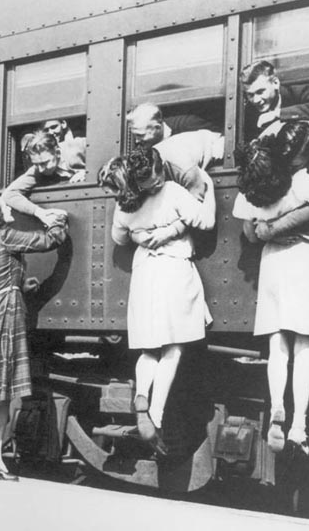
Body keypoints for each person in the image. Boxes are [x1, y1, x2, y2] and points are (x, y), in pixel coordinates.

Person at [233, 123, 309, 456]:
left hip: (273, 265)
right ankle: (298, 423)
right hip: (304, 260)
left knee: (276, 344)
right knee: (304, 347)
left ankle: (275, 410)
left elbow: (251, 234)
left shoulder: (262, 181)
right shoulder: (303, 182)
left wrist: (267, 227)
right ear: (307, 152)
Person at [98, 149, 215, 455]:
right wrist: (209, 190)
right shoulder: (173, 192)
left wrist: (141, 233)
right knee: (173, 348)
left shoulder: (126, 203)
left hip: (144, 274)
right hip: (173, 272)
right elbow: (205, 221)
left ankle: (142, 395)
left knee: (150, 347)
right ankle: (156, 414)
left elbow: (119, 239)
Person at [0, 196, 69, 483]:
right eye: (5, 208)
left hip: (0, 310)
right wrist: (60, 220)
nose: (10, 210)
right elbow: (48, 241)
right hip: (9, 314)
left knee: (3, 392)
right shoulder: (5, 236)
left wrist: (16, 286)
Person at [2, 130, 85, 227]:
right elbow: (9, 194)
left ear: (57, 153)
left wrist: (89, 172)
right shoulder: (37, 170)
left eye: (44, 163)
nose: (41, 170)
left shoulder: (78, 147)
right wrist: (39, 212)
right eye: (36, 164)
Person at [241, 60, 309, 140]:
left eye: (260, 92)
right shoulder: (249, 113)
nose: (256, 100)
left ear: (275, 83)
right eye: (250, 95)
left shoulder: (299, 92)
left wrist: (277, 114)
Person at [126, 102, 220, 148]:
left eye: (140, 135)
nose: (137, 141)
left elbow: (221, 137)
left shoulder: (188, 124)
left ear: (157, 127)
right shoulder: (142, 147)